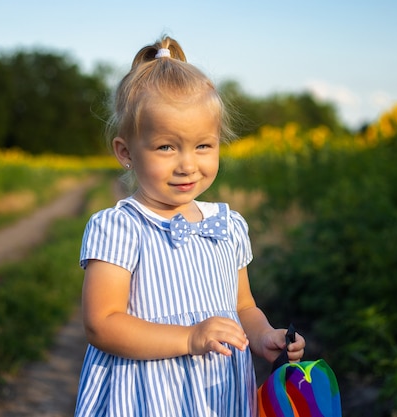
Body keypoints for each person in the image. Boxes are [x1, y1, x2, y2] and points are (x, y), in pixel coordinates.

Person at [75, 35, 305, 416]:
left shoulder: (226, 225)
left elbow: (243, 306)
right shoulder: (120, 227)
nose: (187, 164)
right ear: (126, 152)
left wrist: (265, 336)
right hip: (148, 396)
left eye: (203, 146)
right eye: (166, 147)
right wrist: (190, 337)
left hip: (219, 394)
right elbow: (102, 324)